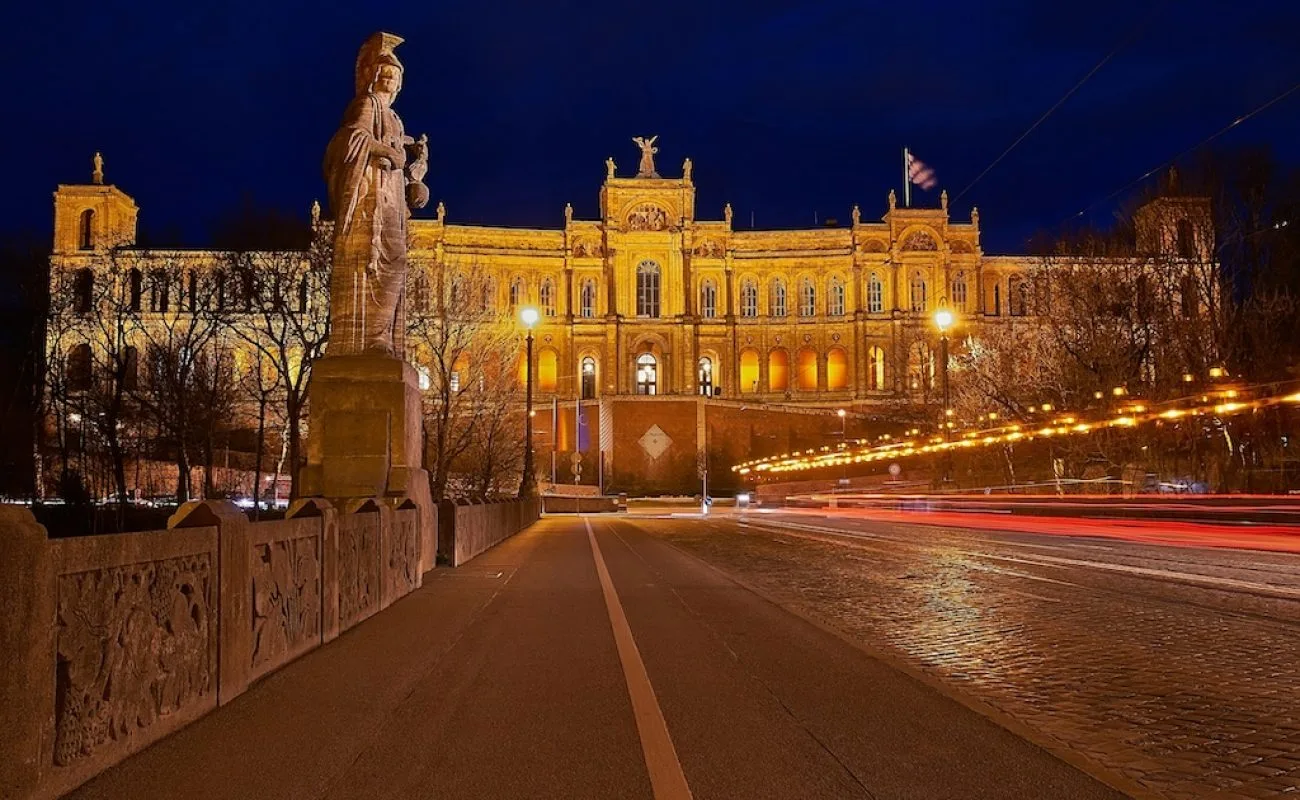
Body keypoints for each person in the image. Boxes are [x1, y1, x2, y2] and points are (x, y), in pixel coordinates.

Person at [323, 32, 429, 357]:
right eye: (385, 74)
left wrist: (416, 177)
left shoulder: (395, 118)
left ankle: (380, 336)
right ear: (374, 77)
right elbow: (350, 139)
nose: (390, 81)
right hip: (370, 198)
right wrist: (387, 151)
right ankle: (370, 339)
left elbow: (401, 163)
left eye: (395, 77)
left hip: (392, 199)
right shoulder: (368, 105)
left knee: (395, 265)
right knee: (377, 265)